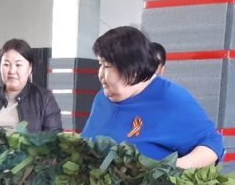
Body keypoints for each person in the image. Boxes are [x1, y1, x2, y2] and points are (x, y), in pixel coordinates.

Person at [81, 26, 223, 169]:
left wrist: (172, 168)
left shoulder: (170, 99)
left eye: (107, 66)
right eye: (100, 64)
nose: (100, 74)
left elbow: (213, 143)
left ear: (133, 69)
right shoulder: (102, 98)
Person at [0, 38, 62, 133]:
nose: (12, 71)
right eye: (6, 64)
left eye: (18, 65)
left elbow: (54, 137)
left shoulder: (44, 99)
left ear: (30, 68)